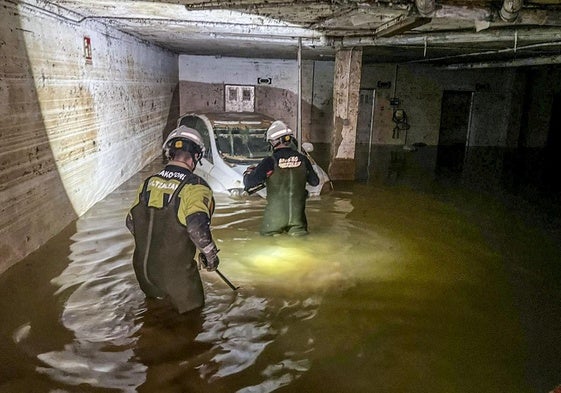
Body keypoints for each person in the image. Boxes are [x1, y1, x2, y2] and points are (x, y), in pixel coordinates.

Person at [126, 125, 220, 314]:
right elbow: (196, 228)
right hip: (177, 280)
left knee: (153, 316)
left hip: (144, 273)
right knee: (194, 323)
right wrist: (211, 256)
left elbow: (130, 222)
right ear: (196, 156)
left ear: (170, 153)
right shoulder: (195, 186)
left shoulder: (148, 183)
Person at [243, 120, 319, 236]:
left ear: (274, 141)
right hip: (298, 220)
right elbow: (315, 182)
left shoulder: (269, 161)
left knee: (269, 246)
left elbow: (249, 184)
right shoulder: (303, 159)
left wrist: (247, 174)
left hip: (274, 221)